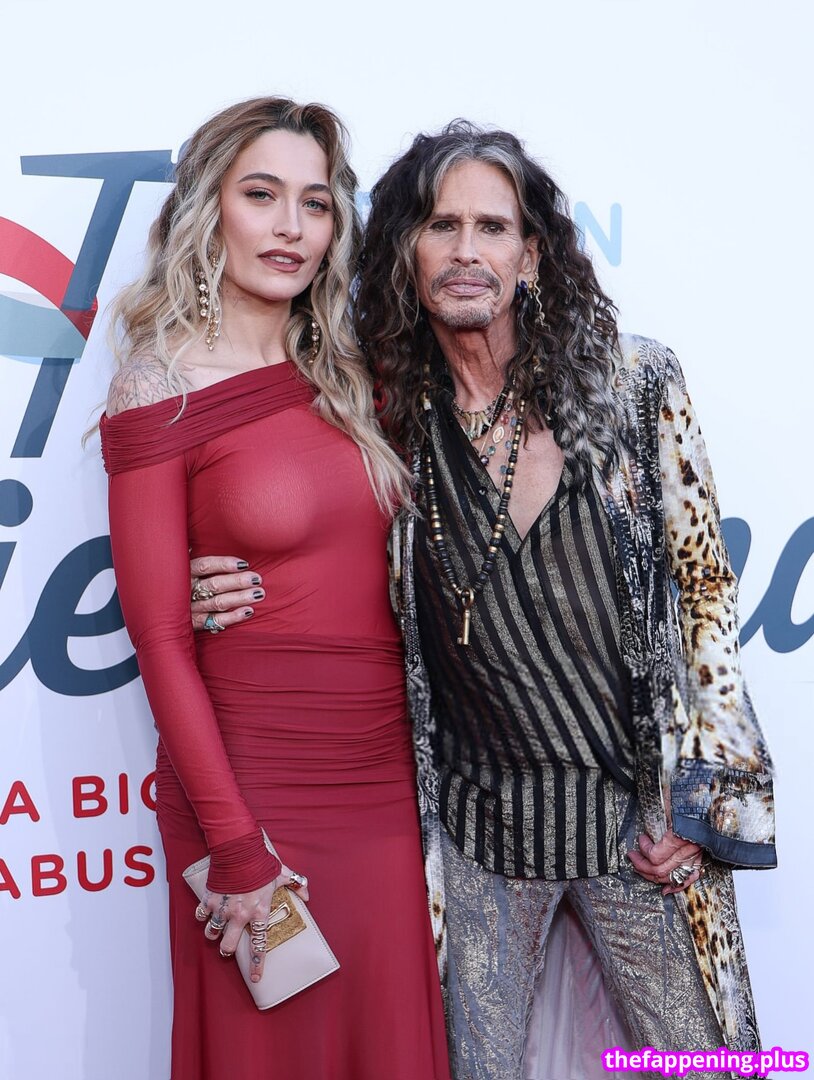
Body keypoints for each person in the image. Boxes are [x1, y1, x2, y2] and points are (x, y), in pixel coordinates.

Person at [191, 122, 776, 1080]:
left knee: (712, 1066)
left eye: (493, 227)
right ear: (406, 254)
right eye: (442, 225)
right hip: (478, 836)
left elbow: (706, 588)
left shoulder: (635, 385)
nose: (467, 251)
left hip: (639, 826)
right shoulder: (378, 419)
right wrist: (210, 575)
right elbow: (284, 508)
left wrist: (699, 799)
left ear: (531, 254)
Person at [99, 97, 450, 1080]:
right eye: (261, 195)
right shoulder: (157, 385)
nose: (291, 226)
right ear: (209, 207)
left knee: (389, 1045)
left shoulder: (358, 372)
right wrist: (236, 844)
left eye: (315, 202)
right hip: (248, 783)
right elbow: (160, 640)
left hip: (382, 781)